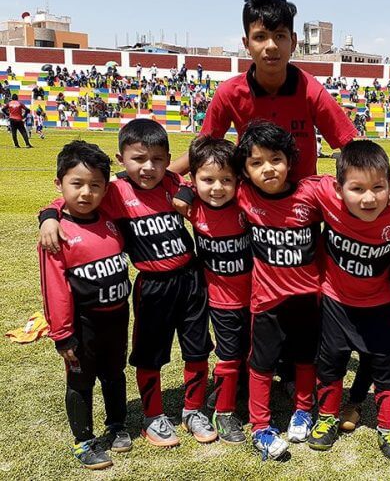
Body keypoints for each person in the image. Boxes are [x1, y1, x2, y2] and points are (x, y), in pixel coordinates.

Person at [38, 119, 216, 448]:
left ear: (167, 159)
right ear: (121, 159)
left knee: (197, 349)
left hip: (191, 281)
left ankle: (194, 410)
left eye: (158, 160)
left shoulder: (170, 183)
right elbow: (75, 196)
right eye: (138, 159)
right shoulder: (115, 191)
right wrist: (48, 215)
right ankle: (153, 416)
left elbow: (194, 180)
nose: (149, 168)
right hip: (153, 286)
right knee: (149, 354)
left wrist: (187, 191)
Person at [168, 0, 357, 180]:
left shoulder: (311, 90)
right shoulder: (229, 93)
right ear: (246, 44)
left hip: (302, 203)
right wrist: (162, 178)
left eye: (280, 36)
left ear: (293, 42)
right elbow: (203, 148)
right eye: (260, 37)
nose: (271, 46)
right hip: (249, 201)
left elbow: (353, 147)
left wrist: (381, 184)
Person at [308, 141, 390, 461]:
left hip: (379, 306)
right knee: (330, 365)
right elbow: (294, 187)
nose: (369, 197)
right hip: (335, 302)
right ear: (339, 189)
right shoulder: (325, 194)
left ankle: (388, 428)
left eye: (378, 187)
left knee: (387, 369)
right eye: (357, 188)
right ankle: (327, 418)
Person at [39, 141, 132, 470]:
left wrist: (47, 211)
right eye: (75, 184)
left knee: (114, 373)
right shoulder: (57, 233)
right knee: (81, 381)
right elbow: (54, 288)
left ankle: (117, 425)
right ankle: (83, 440)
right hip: (83, 323)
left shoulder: (108, 214)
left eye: (95, 185)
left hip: (117, 316)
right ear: (59, 184)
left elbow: (134, 174)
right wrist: (62, 334)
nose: (85, 193)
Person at [233, 121, 323, 460]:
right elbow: (182, 184)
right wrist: (52, 212)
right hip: (266, 300)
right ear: (244, 169)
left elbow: (357, 189)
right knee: (262, 363)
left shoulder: (312, 193)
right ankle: (260, 427)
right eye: (256, 163)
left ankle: (303, 409)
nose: (268, 169)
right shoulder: (241, 194)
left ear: (290, 159)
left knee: (304, 357)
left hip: (307, 297)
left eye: (275, 159)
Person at [178, 136, 253, 444]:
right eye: (208, 180)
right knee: (229, 355)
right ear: (194, 180)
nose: (218, 188)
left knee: (253, 353)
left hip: (257, 297)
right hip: (221, 301)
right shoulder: (190, 206)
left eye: (226, 180)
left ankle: (239, 393)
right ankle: (224, 412)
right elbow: (146, 185)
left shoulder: (246, 202)